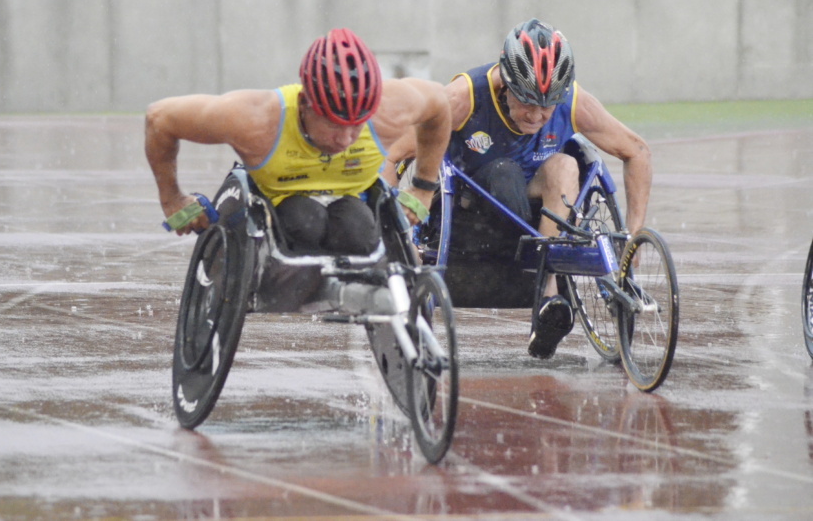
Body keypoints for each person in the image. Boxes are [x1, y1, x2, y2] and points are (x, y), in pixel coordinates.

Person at [386, 19, 651, 360]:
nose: (537, 115)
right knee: (505, 172)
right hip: (470, 207)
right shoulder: (464, 97)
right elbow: (395, 154)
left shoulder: (572, 101)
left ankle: (548, 299)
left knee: (567, 165)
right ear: (505, 84)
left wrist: (633, 233)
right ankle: (542, 270)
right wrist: (398, 225)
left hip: (537, 211)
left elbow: (637, 151)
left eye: (547, 105)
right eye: (527, 101)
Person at [145, 28, 451, 258]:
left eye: (356, 126)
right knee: (306, 220)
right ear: (304, 103)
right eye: (333, 124)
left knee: (356, 230)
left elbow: (439, 103)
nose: (345, 139)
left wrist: (423, 188)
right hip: (278, 210)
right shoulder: (256, 119)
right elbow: (159, 118)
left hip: (351, 205)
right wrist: (172, 199)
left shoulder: (390, 108)